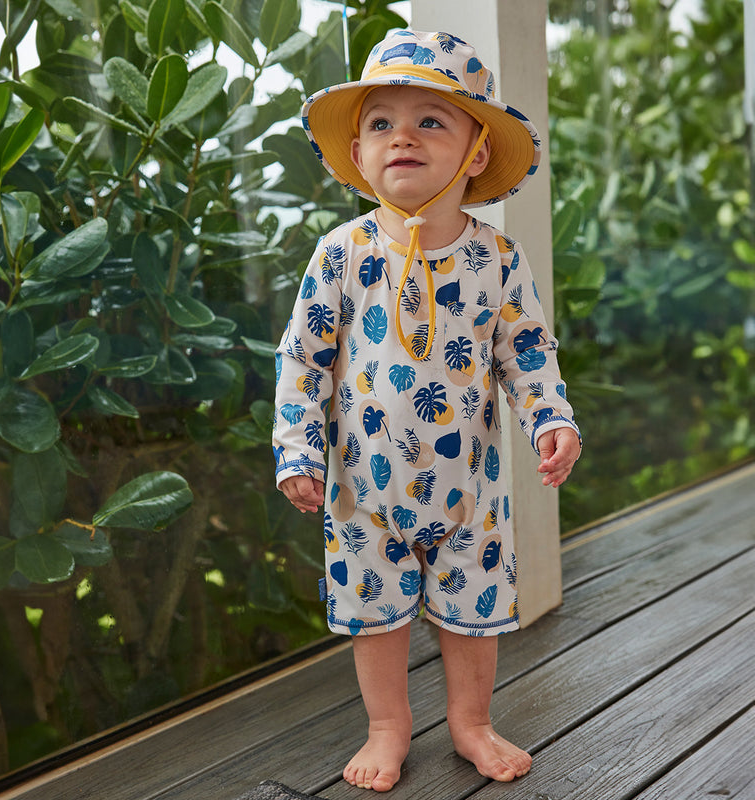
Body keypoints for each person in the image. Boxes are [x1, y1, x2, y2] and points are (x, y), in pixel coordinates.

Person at [272, 29, 581, 792]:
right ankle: (389, 726)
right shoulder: (341, 254)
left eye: (429, 120)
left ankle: (471, 723)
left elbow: (528, 354)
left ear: (475, 154)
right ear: (359, 150)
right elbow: (302, 360)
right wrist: (299, 452)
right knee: (373, 617)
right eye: (380, 122)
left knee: (471, 611)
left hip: (468, 487)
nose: (401, 135)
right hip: (361, 490)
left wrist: (552, 420)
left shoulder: (496, 260)